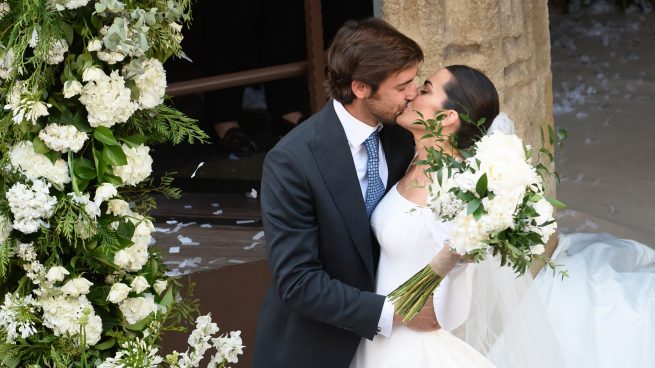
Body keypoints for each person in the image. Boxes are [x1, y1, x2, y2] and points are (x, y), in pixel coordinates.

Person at [253, 18, 433, 367]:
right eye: (403, 85)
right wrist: (394, 313)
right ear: (361, 88)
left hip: (392, 350)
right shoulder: (291, 161)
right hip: (312, 349)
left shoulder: (400, 136)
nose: (413, 93)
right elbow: (297, 281)